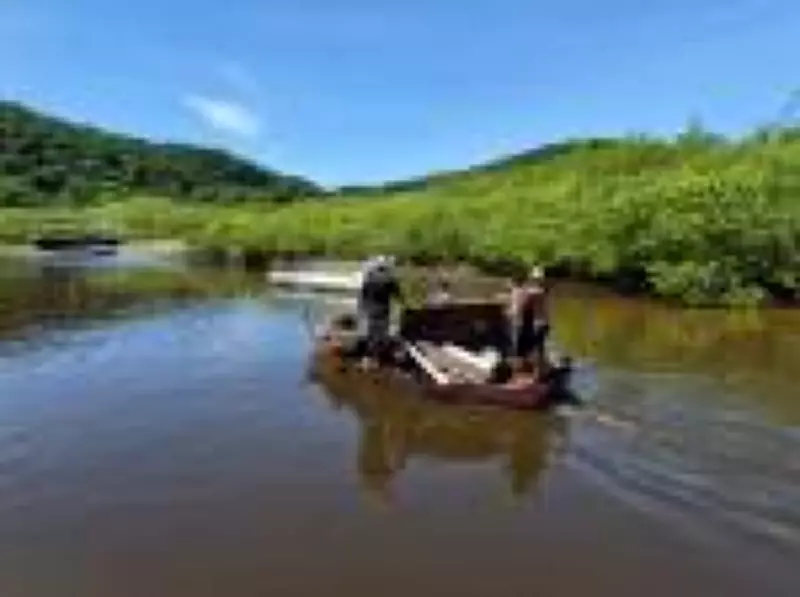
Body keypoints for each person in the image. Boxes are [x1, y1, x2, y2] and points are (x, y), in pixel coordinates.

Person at [357, 255, 404, 365]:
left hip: (371, 309)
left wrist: (362, 308)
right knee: (380, 334)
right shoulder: (390, 279)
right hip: (383, 310)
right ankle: (376, 358)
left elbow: (364, 295)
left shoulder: (370, 278)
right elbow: (398, 295)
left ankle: (368, 358)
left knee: (371, 333)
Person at [506, 265, 551, 373]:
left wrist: (512, 313)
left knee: (522, 349)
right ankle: (536, 369)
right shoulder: (537, 291)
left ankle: (525, 369)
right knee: (536, 349)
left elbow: (520, 307)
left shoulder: (530, 292)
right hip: (537, 323)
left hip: (528, 323)